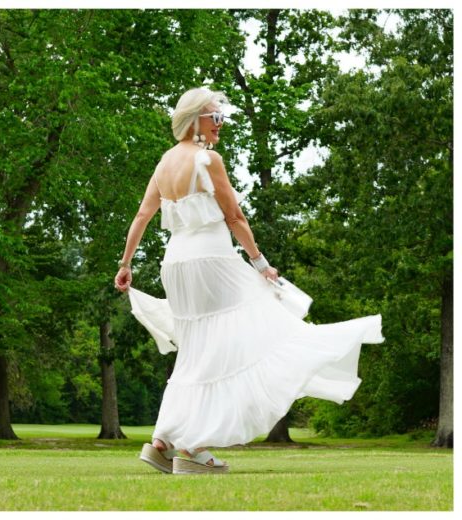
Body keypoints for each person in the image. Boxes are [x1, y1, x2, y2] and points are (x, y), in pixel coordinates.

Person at [113, 87, 383, 475]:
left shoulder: (164, 163)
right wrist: (260, 263)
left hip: (175, 264)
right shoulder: (208, 160)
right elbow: (235, 217)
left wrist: (125, 263)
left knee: (196, 349)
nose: (221, 125)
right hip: (211, 259)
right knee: (239, 339)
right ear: (196, 120)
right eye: (216, 117)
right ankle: (194, 447)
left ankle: (163, 441)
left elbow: (141, 217)